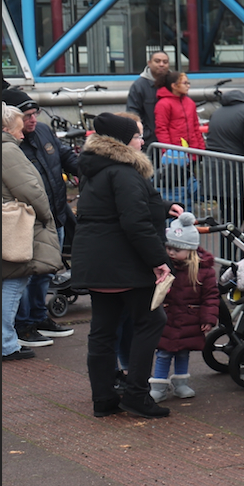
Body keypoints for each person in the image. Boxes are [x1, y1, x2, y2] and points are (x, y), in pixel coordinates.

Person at [70, 113, 172, 416]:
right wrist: (159, 261)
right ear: (124, 142)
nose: (142, 141)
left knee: (102, 330)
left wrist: (163, 206)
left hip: (97, 263)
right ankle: (137, 394)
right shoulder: (125, 172)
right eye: (138, 136)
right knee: (151, 321)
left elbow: (111, 206)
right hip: (124, 262)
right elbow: (135, 221)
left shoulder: (95, 168)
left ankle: (103, 398)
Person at [3, 106, 63, 361]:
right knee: (13, 286)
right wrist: (46, 214)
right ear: (6, 128)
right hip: (14, 226)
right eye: (18, 128)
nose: (22, 135)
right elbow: (30, 189)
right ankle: (6, 344)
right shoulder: (7, 151)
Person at [150, 214, 216, 402]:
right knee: (163, 351)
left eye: (176, 249)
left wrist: (208, 318)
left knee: (183, 351)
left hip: (189, 317)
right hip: (167, 315)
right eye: (169, 247)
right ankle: (159, 385)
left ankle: (181, 383)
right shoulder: (165, 266)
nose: (171, 252)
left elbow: (210, 296)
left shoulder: (204, 271)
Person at [154, 71, 204, 149]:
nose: (188, 86)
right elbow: (162, 130)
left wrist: (201, 147)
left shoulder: (190, 103)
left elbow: (195, 127)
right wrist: (169, 151)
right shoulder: (163, 104)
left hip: (193, 150)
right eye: (185, 83)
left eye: (188, 83)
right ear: (174, 85)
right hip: (175, 152)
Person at [125, 50, 172, 129]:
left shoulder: (175, 83)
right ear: (149, 63)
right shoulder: (139, 86)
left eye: (165, 62)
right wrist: (146, 134)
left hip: (175, 138)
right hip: (149, 139)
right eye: (157, 61)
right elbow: (132, 115)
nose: (161, 64)